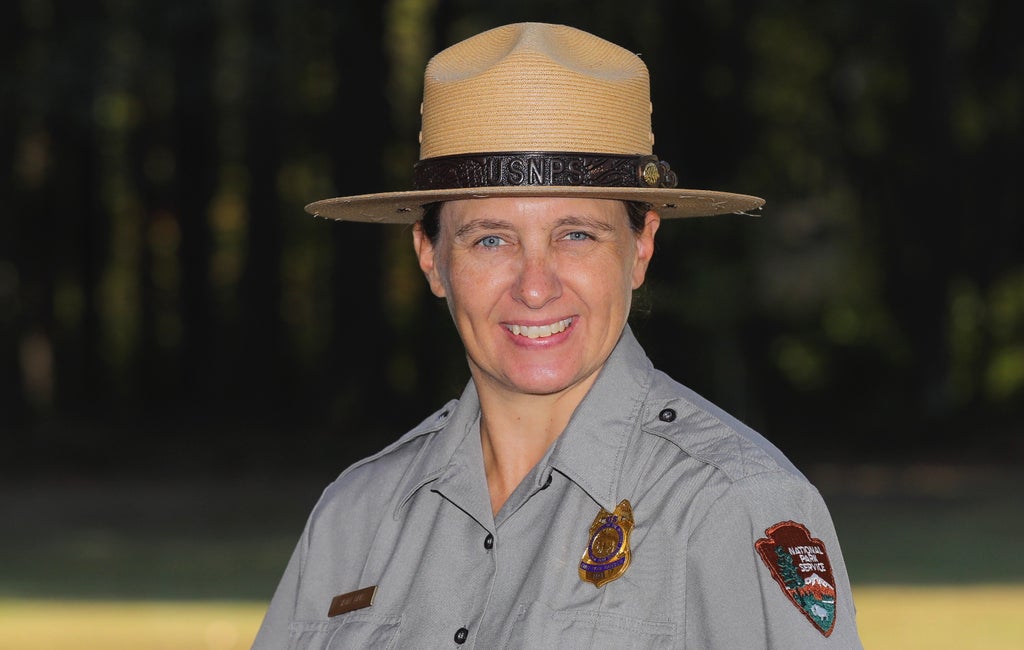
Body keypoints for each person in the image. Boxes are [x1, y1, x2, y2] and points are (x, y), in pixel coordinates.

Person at [253, 22, 862, 649]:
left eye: (576, 235)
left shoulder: (734, 505)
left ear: (641, 247)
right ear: (430, 257)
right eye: (491, 239)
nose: (535, 287)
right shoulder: (354, 517)